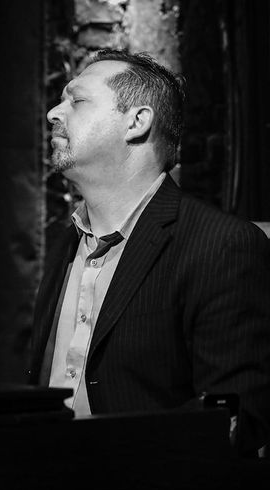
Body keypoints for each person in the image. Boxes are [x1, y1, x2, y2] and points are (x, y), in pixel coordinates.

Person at [28, 49, 270, 456]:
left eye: (77, 100)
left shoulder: (221, 245)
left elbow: (237, 417)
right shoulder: (66, 244)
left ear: (137, 122)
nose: (54, 112)